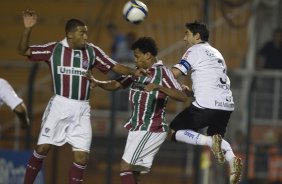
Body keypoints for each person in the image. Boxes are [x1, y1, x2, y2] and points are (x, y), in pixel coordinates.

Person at [18, 10, 146, 184]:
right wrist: (27, 29)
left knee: (81, 158)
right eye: (82, 33)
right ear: (70, 35)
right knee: (42, 148)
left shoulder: (92, 51)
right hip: (60, 106)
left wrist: (133, 72)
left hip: (82, 108)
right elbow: (24, 50)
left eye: (86, 32)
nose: (86, 36)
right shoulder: (54, 49)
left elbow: (114, 66)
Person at [87, 37, 187, 184]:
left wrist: (159, 87)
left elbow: (182, 96)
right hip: (137, 128)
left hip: (150, 128)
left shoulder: (163, 74)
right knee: (134, 174)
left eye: (137, 56)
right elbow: (116, 85)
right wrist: (98, 83)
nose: (135, 60)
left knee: (125, 167)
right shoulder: (138, 73)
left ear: (148, 55)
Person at [168, 21, 242, 184]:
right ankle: (233, 160)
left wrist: (155, 76)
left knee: (172, 131)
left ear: (197, 36)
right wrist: (192, 93)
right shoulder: (217, 53)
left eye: (187, 34)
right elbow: (213, 83)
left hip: (207, 105)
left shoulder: (193, 50)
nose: (184, 38)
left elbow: (174, 73)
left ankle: (209, 142)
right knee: (217, 136)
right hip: (226, 105)